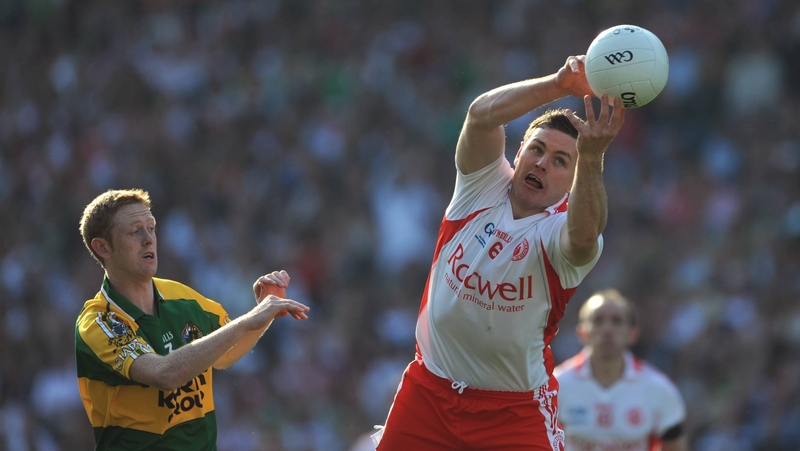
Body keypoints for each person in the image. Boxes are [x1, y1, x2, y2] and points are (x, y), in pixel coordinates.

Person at [374, 54, 626, 451]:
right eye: (537, 149)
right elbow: (480, 116)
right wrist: (558, 85)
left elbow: (583, 237)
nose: (542, 163)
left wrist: (592, 158)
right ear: (519, 150)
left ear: (575, 180)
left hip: (511, 415)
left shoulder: (560, 231)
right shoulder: (481, 187)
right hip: (429, 393)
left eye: (561, 161)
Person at [75, 188, 310, 450]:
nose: (149, 239)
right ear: (103, 247)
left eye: (151, 228)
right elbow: (165, 374)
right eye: (134, 231)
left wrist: (264, 313)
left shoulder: (182, 297)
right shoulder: (99, 321)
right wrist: (247, 320)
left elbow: (225, 353)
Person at [554, 289, 689, 451]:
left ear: (632, 334)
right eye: (598, 321)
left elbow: (676, 447)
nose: (607, 329)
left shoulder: (658, 388)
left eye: (617, 321)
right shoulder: (557, 384)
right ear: (582, 332)